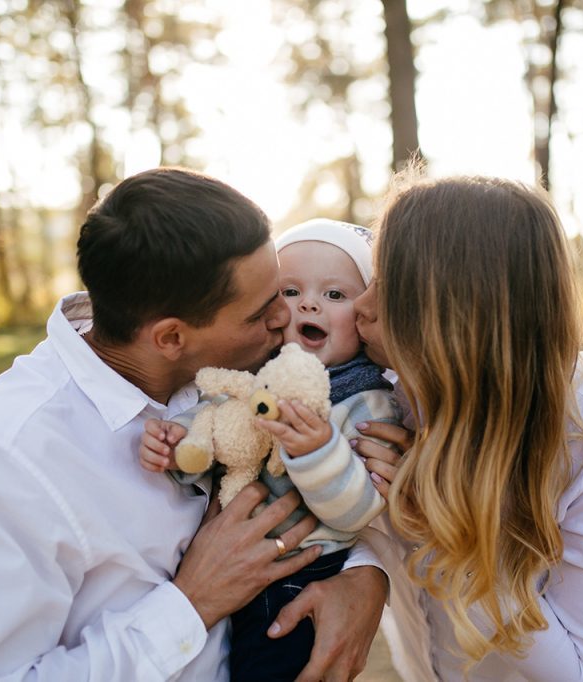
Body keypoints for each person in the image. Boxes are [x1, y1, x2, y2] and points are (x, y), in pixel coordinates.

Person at [0, 168, 388, 681]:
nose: (287, 317)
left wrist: (365, 574)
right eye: (261, 313)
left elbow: (301, 488)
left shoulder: (242, 370)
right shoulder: (5, 460)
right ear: (170, 338)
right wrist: (191, 604)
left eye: (281, 289)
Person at [350, 175, 583, 680]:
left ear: (456, 311)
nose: (359, 307)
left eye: (388, 288)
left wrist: (439, 532)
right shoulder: (379, 391)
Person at [139, 219, 403, 681]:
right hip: (227, 573)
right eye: (290, 290)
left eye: (335, 295)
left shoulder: (367, 400)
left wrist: (317, 449)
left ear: (363, 320)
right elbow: (217, 429)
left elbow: (357, 510)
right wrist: (177, 444)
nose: (309, 303)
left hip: (302, 577)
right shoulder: (252, 375)